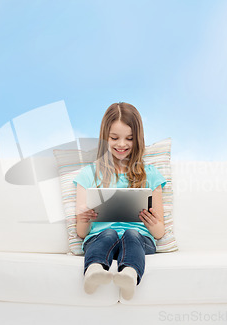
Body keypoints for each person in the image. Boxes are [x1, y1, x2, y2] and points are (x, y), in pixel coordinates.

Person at [73, 102, 166, 300]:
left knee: (131, 234)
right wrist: (84, 217)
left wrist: (153, 223)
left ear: (138, 139)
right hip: (100, 239)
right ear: (104, 137)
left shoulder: (151, 175)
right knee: (108, 232)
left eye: (129, 138)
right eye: (114, 138)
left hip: (140, 240)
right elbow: (81, 233)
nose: (121, 144)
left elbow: (159, 233)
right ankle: (93, 271)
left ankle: (129, 276)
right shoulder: (89, 174)